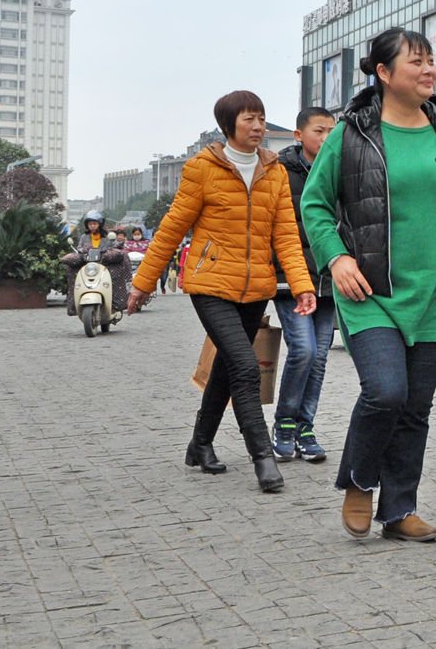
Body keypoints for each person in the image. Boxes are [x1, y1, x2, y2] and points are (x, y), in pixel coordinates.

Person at [301, 28, 436, 541]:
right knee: (386, 393)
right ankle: (361, 480)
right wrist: (336, 258)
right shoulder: (353, 134)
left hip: (434, 295)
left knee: (415, 408)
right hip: (370, 292)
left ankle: (399, 508)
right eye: (417, 62)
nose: (429, 69)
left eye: (431, 61)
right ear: (384, 73)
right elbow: (315, 204)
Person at [127, 91, 317, 493]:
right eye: (249, 119)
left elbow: (285, 235)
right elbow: (172, 228)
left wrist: (301, 285)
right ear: (228, 125)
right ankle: (263, 459)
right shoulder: (203, 168)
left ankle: (200, 443)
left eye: (262, 119)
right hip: (210, 284)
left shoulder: (275, 170)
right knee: (247, 368)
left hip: (257, 288)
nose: (258, 127)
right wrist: (143, 283)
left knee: (227, 369)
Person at [271, 107, 338, 464]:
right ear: (299, 135)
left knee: (321, 356)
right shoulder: (280, 172)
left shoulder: (339, 170)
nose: (326, 138)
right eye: (319, 131)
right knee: (304, 350)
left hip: (329, 280)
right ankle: (284, 425)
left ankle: (305, 428)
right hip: (290, 280)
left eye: (331, 131)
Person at [61, 211, 131, 318]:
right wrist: (82, 251)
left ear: (100, 224)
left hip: (105, 264)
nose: (92, 226)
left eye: (94, 223)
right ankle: (73, 304)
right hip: (88, 264)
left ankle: (115, 305)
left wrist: (110, 252)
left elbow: (115, 247)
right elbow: (80, 249)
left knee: (116, 273)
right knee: (72, 270)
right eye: (90, 224)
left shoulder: (109, 236)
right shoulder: (84, 237)